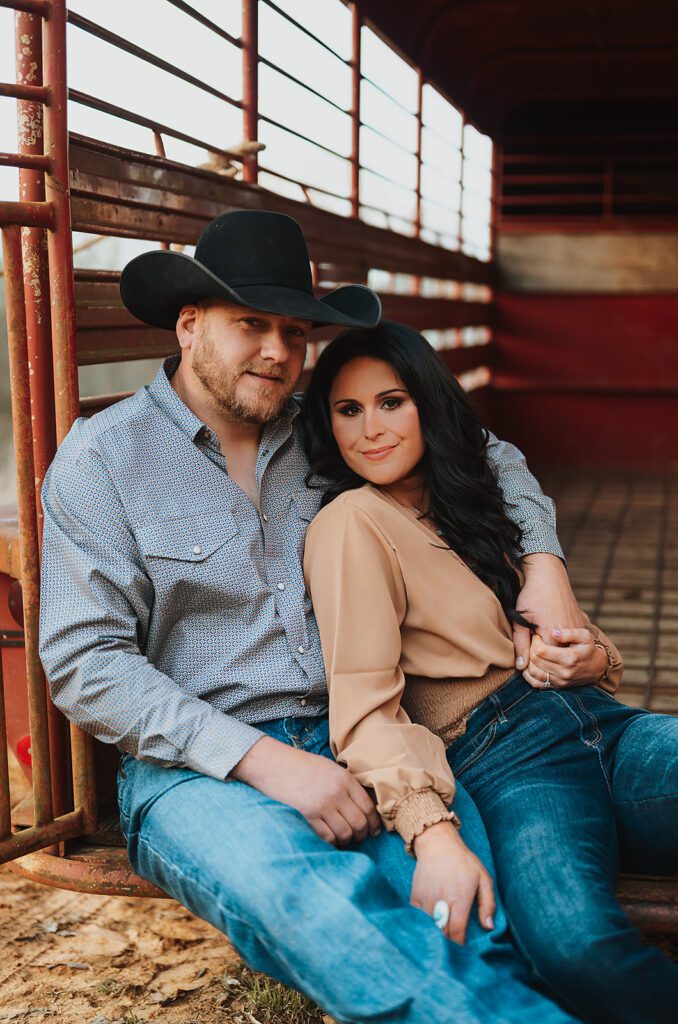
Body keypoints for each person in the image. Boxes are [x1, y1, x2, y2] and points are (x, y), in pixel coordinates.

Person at [39, 211, 579, 1024]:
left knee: (473, 918)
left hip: (370, 736)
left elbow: (487, 454)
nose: (277, 353)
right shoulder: (103, 458)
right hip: (197, 768)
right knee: (318, 907)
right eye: (249, 325)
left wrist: (544, 564)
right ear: (189, 326)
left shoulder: (324, 432)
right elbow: (87, 664)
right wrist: (263, 760)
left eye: (293, 332)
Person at [302, 320, 678, 1024]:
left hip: (604, 727)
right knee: (574, 946)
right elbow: (364, 706)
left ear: (428, 406)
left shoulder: (466, 496)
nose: (370, 429)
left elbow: (577, 645)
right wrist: (427, 829)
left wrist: (586, 656)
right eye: (347, 410)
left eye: (392, 402)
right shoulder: (352, 523)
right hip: (506, 760)